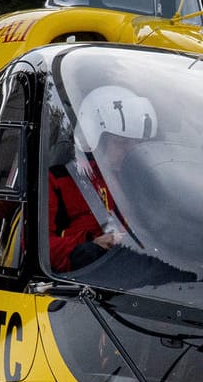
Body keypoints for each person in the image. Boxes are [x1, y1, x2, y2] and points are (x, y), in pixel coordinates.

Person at [47, 85, 155, 272]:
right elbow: (36, 247)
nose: (130, 152)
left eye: (136, 144)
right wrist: (92, 247)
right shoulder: (59, 181)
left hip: (143, 269)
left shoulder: (142, 181)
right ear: (94, 138)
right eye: (121, 143)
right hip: (89, 280)